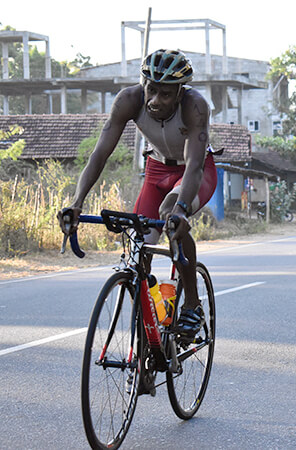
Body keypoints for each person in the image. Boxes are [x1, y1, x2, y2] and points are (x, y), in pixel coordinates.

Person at [58, 49, 217, 343]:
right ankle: (148, 342)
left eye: (165, 94)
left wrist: (182, 209)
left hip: (195, 171)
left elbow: (194, 166)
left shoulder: (195, 106)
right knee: (137, 247)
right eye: (151, 90)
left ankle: (192, 304)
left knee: (171, 213)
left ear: (180, 92)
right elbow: (100, 154)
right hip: (156, 171)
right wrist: (77, 202)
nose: (155, 100)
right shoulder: (128, 100)